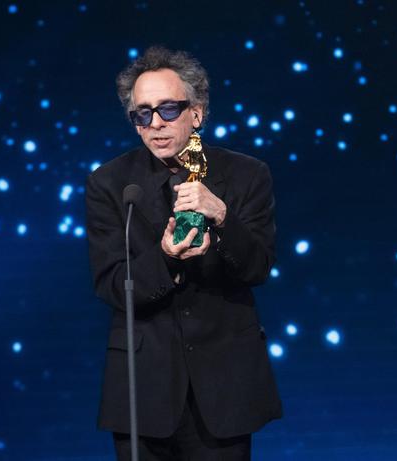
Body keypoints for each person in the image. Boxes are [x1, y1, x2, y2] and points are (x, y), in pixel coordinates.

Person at [85, 46, 282, 460]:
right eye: (142, 114)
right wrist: (166, 258)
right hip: (144, 393)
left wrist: (222, 217)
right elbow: (111, 286)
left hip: (225, 387)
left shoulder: (247, 175)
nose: (155, 124)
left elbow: (258, 267)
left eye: (168, 109)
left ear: (197, 112)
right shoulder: (110, 184)